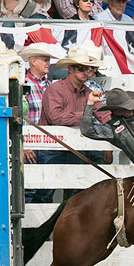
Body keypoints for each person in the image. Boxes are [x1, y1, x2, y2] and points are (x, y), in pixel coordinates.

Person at [36, 47, 109, 203]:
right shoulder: (55, 89)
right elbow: (56, 118)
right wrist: (86, 113)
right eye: (81, 68)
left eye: (88, 68)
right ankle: (36, 227)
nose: (86, 72)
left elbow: (104, 116)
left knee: (75, 194)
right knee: (44, 192)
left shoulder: (88, 92)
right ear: (70, 69)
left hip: (75, 148)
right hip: (52, 148)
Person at [19, 43, 58, 203]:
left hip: (48, 146)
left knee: (46, 191)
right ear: (33, 61)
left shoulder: (52, 86)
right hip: (31, 145)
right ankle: (27, 228)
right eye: (45, 60)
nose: (48, 63)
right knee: (29, 190)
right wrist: (23, 145)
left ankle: (38, 228)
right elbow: (19, 117)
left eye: (48, 60)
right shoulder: (22, 83)